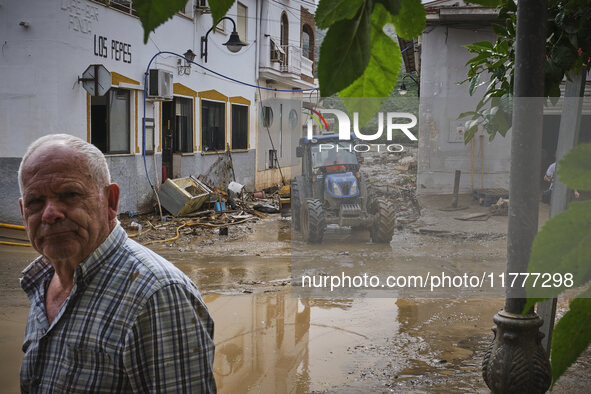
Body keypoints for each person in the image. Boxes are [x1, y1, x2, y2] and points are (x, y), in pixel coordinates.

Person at [18, 134, 216, 393]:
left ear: (110, 202)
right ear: (24, 212)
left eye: (70, 195)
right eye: (35, 202)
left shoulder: (158, 295)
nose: (50, 213)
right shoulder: (41, 280)